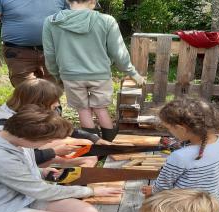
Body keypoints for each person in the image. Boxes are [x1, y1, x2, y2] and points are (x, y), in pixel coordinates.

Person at [42, 0, 145, 141]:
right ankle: (109, 145)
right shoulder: (106, 20)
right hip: (100, 75)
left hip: (70, 75)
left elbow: (49, 53)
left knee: (83, 110)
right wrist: (132, 72)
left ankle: (94, 147)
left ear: (67, 0)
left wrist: (56, 74)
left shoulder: (51, 21)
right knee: (101, 108)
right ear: (93, 0)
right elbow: (118, 52)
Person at [0, 78, 110, 167]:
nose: (57, 104)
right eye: (53, 101)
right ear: (37, 102)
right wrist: (53, 152)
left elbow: (59, 127)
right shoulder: (1, 123)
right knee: (74, 145)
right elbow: (16, 157)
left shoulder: (32, 112)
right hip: (17, 164)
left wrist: (93, 138)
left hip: (33, 157)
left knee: (85, 145)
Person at [142, 98, 219, 212]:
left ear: (181, 129)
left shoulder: (180, 157)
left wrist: (152, 190)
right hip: (218, 206)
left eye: (169, 128)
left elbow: (161, 188)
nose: (169, 132)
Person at [0, 0, 67, 87]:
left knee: (53, 91)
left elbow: (74, 18)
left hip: (53, 52)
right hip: (18, 53)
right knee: (27, 92)